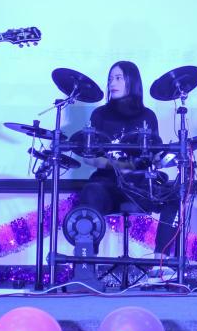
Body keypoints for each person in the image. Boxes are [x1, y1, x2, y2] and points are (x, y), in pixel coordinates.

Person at [77, 61, 181, 264]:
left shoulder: (147, 116)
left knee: (173, 195)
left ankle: (160, 263)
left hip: (139, 185)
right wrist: (118, 166)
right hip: (107, 184)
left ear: (132, 81)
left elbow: (154, 155)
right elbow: (89, 158)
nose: (112, 83)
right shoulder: (99, 115)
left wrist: (163, 159)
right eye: (110, 79)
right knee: (91, 191)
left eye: (118, 78)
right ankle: (87, 264)